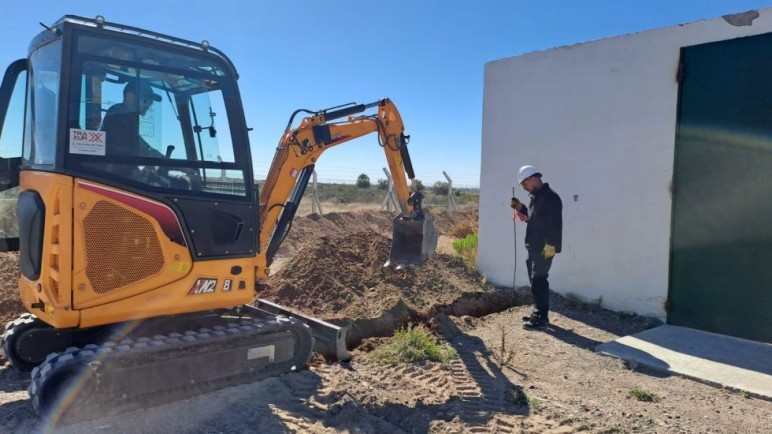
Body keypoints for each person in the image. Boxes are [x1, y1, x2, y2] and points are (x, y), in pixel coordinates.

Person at [510, 165, 563, 329]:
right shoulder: (537, 198)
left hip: (545, 248)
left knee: (539, 280)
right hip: (533, 247)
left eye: (524, 184)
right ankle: (538, 311)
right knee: (535, 281)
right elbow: (534, 219)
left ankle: (541, 317)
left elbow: (554, 225)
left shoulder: (550, 198)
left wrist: (550, 248)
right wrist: (520, 208)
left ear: (533, 179)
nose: (524, 188)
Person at [102, 80, 164, 159]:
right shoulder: (118, 117)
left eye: (151, 102)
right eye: (146, 100)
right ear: (130, 97)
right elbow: (136, 146)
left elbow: (139, 144)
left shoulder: (129, 117)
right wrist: (163, 160)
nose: (149, 104)